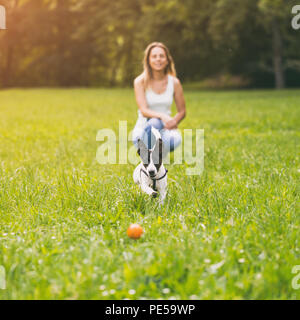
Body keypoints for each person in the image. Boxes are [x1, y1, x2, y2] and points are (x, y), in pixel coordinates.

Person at [132, 42, 186, 158]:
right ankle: (150, 159)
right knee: (154, 123)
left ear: (167, 60)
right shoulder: (139, 81)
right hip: (143, 127)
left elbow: (182, 111)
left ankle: (155, 157)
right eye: (154, 56)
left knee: (174, 140)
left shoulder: (174, 82)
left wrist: (173, 122)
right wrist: (162, 116)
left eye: (161, 56)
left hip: (165, 128)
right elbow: (143, 110)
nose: (158, 59)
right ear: (148, 60)